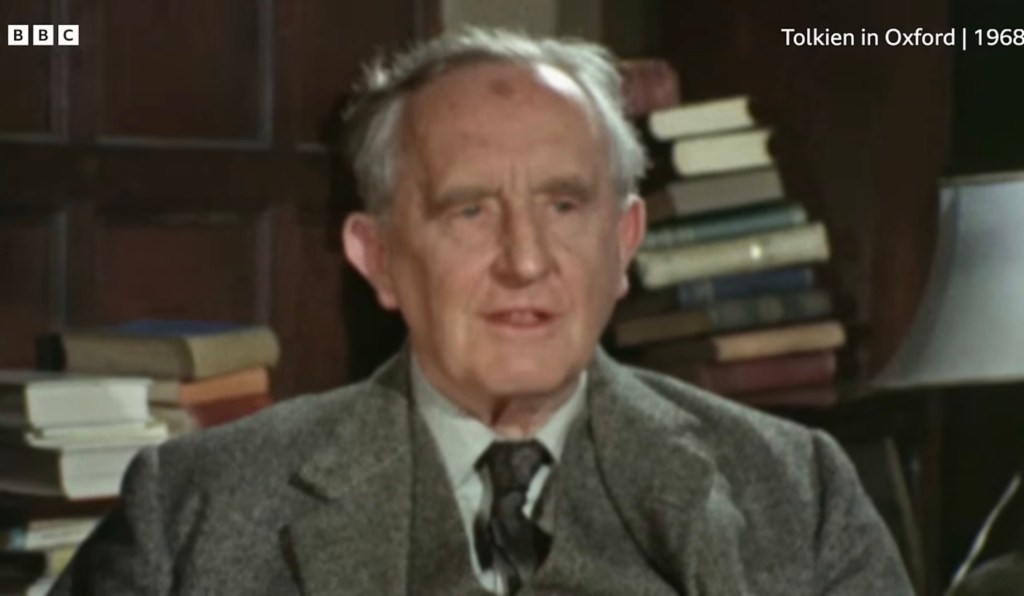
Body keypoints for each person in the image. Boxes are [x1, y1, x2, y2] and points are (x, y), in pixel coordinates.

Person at [53, 28, 913, 595]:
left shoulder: (797, 492)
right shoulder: (194, 511)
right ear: (378, 257)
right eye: (469, 211)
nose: (525, 261)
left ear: (623, 243)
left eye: (564, 206)